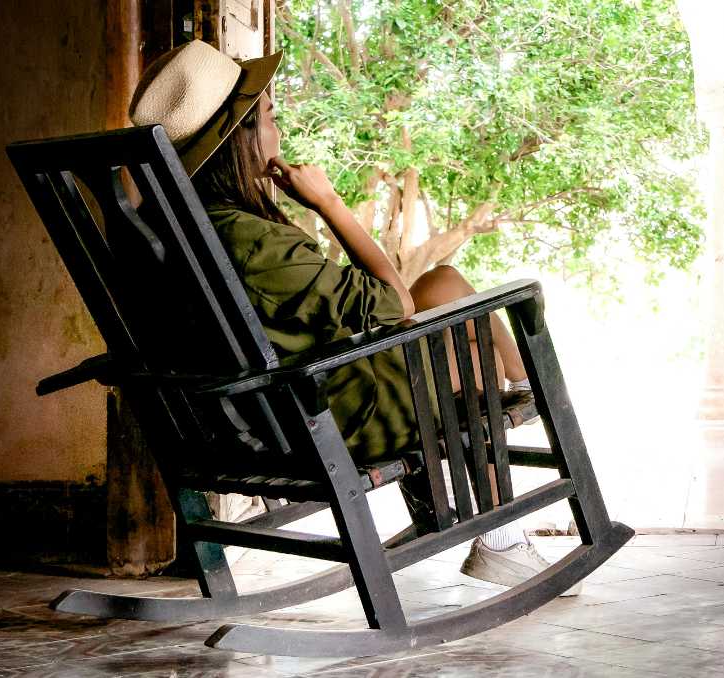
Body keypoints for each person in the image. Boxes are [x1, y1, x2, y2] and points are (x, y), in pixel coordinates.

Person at [127, 39, 572, 592]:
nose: (279, 132)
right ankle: (501, 539)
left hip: (260, 412)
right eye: (269, 117)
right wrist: (329, 205)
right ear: (239, 139)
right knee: (468, 341)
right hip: (319, 419)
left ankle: (482, 451)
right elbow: (395, 303)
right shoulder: (249, 240)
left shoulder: (172, 231)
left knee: (444, 283)